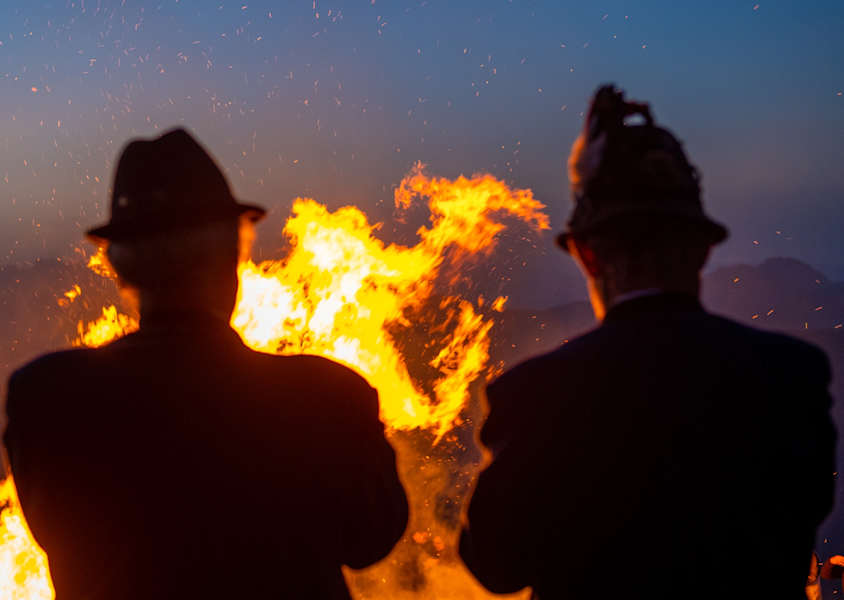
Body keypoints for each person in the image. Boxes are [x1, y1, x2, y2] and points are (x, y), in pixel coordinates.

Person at [460, 86, 836, 599]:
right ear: (703, 250)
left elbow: (497, 566)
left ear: (588, 256)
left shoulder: (538, 394)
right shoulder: (791, 377)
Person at [3, 128, 408, 599]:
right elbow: (370, 538)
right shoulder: (325, 395)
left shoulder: (49, 397)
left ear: (120, 268)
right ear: (232, 258)